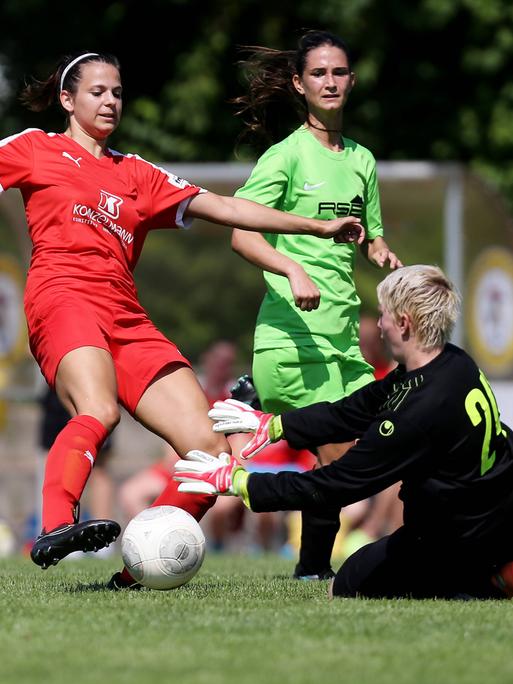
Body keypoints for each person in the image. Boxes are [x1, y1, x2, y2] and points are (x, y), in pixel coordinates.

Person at [0, 51, 365, 572]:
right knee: (98, 410)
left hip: (126, 315)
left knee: (211, 451)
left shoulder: (136, 173)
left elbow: (230, 207)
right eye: (97, 91)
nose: (109, 101)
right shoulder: (35, 149)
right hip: (61, 297)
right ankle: (57, 525)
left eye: (117, 93)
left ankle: (138, 572)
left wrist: (317, 226)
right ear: (66, 99)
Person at [175, 265, 513, 599]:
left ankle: (482, 579)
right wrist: (276, 425)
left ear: (404, 323)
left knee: (344, 586)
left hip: (455, 537)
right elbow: (355, 410)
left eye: (384, 315)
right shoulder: (453, 362)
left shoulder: (417, 412)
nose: (379, 325)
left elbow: (335, 484)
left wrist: (241, 483)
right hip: (496, 515)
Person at [229, 30, 402, 579]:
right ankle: (306, 559)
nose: (331, 81)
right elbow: (240, 234)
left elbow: (368, 236)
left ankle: (310, 567)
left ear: (351, 81)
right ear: (300, 84)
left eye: (339, 72)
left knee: (362, 460)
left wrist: (382, 253)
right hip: (293, 338)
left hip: (344, 342)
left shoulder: (362, 161)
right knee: (341, 460)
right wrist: (291, 266)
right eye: (319, 73)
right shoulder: (285, 157)